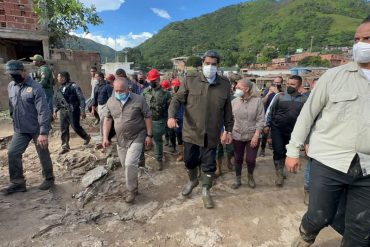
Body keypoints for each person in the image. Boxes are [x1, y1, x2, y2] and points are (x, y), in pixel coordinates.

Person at [286, 17, 370, 247]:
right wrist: (293, 149)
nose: (360, 44)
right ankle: (306, 234)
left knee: (361, 230)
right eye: (356, 39)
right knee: (319, 216)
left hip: (367, 168)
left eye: (367, 39)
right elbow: (308, 114)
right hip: (329, 160)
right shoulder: (333, 77)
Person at [168, 50, 234, 209]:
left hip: (212, 133)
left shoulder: (225, 84)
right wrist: (171, 116)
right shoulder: (190, 80)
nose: (210, 66)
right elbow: (176, 100)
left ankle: (206, 190)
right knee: (190, 161)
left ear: (218, 65)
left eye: (214, 64)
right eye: (207, 63)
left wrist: (228, 130)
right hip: (191, 131)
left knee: (209, 164)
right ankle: (192, 180)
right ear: (202, 63)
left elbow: (227, 110)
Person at [2, 60, 54, 194]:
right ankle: (18, 182)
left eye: (16, 73)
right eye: (11, 74)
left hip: (36, 128)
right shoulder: (11, 86)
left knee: (43, 152)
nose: (13, 76)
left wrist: (43, 132)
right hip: (21, 129)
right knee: (12, 152)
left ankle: (49, 178)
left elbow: (43, 110)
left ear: (24, 71)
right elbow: (12, 106)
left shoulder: (36, 87)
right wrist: (14, 121)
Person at [102, 77, 153, 203]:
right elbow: (108, 119)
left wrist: (149, 135)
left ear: (128, 89)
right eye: (116, 91)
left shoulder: (139, 99)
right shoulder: (111, 101)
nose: (119, 93)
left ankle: (130, 191)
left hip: (137, 136)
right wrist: (105, 137)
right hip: (120, 140)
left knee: (130, 163)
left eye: (121, 90)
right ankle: (134, 187)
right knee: (126, 166)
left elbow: (148, 116)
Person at [265, 75, 307, 187]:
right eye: (288, 84)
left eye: (293, 84)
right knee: (278, 151)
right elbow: (270, 112)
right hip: (277, 129)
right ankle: (279, 174)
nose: (290, 86)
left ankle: (282, 168)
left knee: (287, 152)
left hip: (293, 132)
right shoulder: (280, 96)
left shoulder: (304, 100)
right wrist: (267, 126)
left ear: (299, 86)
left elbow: (306, 118)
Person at [231, 78, 265, 189]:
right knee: (238, 158)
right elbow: (230, 119)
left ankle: (250, 176)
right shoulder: (234, 102)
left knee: (250, 159)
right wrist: (228, 132)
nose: (235, 88)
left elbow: (261, 119)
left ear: (246, 89)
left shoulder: (257, 101)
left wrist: (256, 135)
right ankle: (238, 179)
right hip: (237, 134)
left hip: (252, 135)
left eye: (238, 87)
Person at [54, 71, 91, 154]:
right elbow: (59, 101)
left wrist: (82, 111)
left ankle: (86, 137)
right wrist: (56, 110)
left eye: (58, 76)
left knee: (75, 127)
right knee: (63, 128)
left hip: (73, 111)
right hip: (63, 111)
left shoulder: (74, 86)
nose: (57, 78)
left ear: (63, 78)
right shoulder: (60, 88)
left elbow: (81, 99)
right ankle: (65, 146)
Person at [143, 69, 171, 171]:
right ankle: (142, 160)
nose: (152, 82)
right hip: (146, 120)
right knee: (143, 139)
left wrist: (168, 120)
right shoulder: (145, 91)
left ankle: (159, 160)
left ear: (159, 79)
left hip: (158, 121)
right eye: (150, 81)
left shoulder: (166, 93)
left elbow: (170, 108)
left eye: (154, 80)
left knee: (158, 141)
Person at [303, 77, 318, 205]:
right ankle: (308, 190)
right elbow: (306, 123)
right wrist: (306, 142)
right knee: (311, 166)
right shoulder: (308, 101)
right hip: (313, 139)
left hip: (328, 141)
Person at [260, 76, 284, 157]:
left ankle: (274, 147)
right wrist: (269, 93)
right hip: (267, 114)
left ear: (281, 83)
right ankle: (262, 149)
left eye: (278, 82)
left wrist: (277, 92)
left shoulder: (283, 92)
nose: (276, 84)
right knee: (265, 133)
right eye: (275, 82)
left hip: (277, 115)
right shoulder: (267, 90)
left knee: (275, 133)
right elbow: (263, 102)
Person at [30, 54, 54, 119]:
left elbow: (44, 81)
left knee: (47, 104)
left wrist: (36, 86)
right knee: (45, 104)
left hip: (46, 90)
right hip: (44, 89)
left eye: (34, 60)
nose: (33, 62)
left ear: (39, 61)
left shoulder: (44, 69)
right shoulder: (41, 69)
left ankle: (49, 118)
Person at [91, 72, 113, 139]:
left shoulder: (107, 86)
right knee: (102, 121)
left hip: (106, 105)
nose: (95, 78)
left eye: (96, 77)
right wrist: (93, 108)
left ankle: (104, 136)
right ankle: (102, 135)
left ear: (100, 78)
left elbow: (111, 98)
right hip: (99, 106)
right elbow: (95, 98)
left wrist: (109, 107)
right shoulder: (97, 86)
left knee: (103, 121)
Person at [171, 78, 185, 161]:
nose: (174, 88)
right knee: (179, 140)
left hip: (185, 121)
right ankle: (182, 155)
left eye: (176, 86)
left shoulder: (184, 96)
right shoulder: (173, 98)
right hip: (177, 121)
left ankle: (186, 155)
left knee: (186, 140)